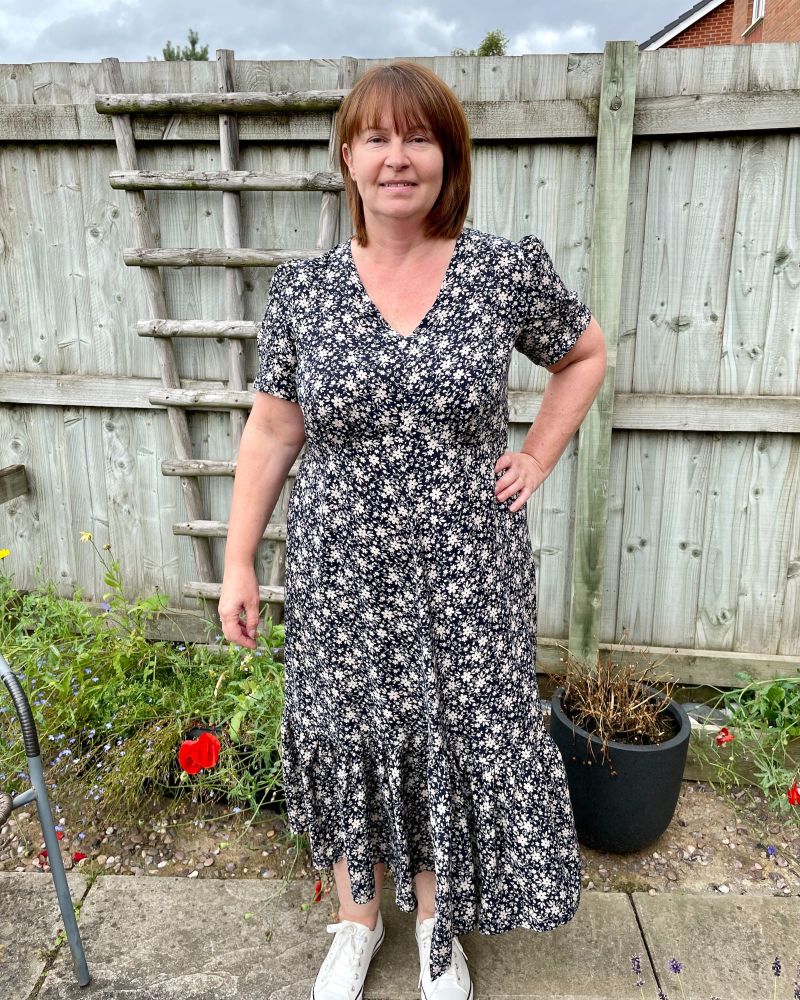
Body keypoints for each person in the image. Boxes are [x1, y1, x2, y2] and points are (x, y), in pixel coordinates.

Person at [220, 60, 607, 1000]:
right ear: (348, 156)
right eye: (379, 138)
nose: (400, 158)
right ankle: (355, 922)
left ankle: (437, 923)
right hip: (342, 568)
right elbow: (273, 429)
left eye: (420, 137)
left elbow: (586, 353)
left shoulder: (499, 269)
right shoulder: (305, 291)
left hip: (468, 569)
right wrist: (237, 560)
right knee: (351, 730)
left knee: (444, 735)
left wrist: (539, 455)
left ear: (448, 156)